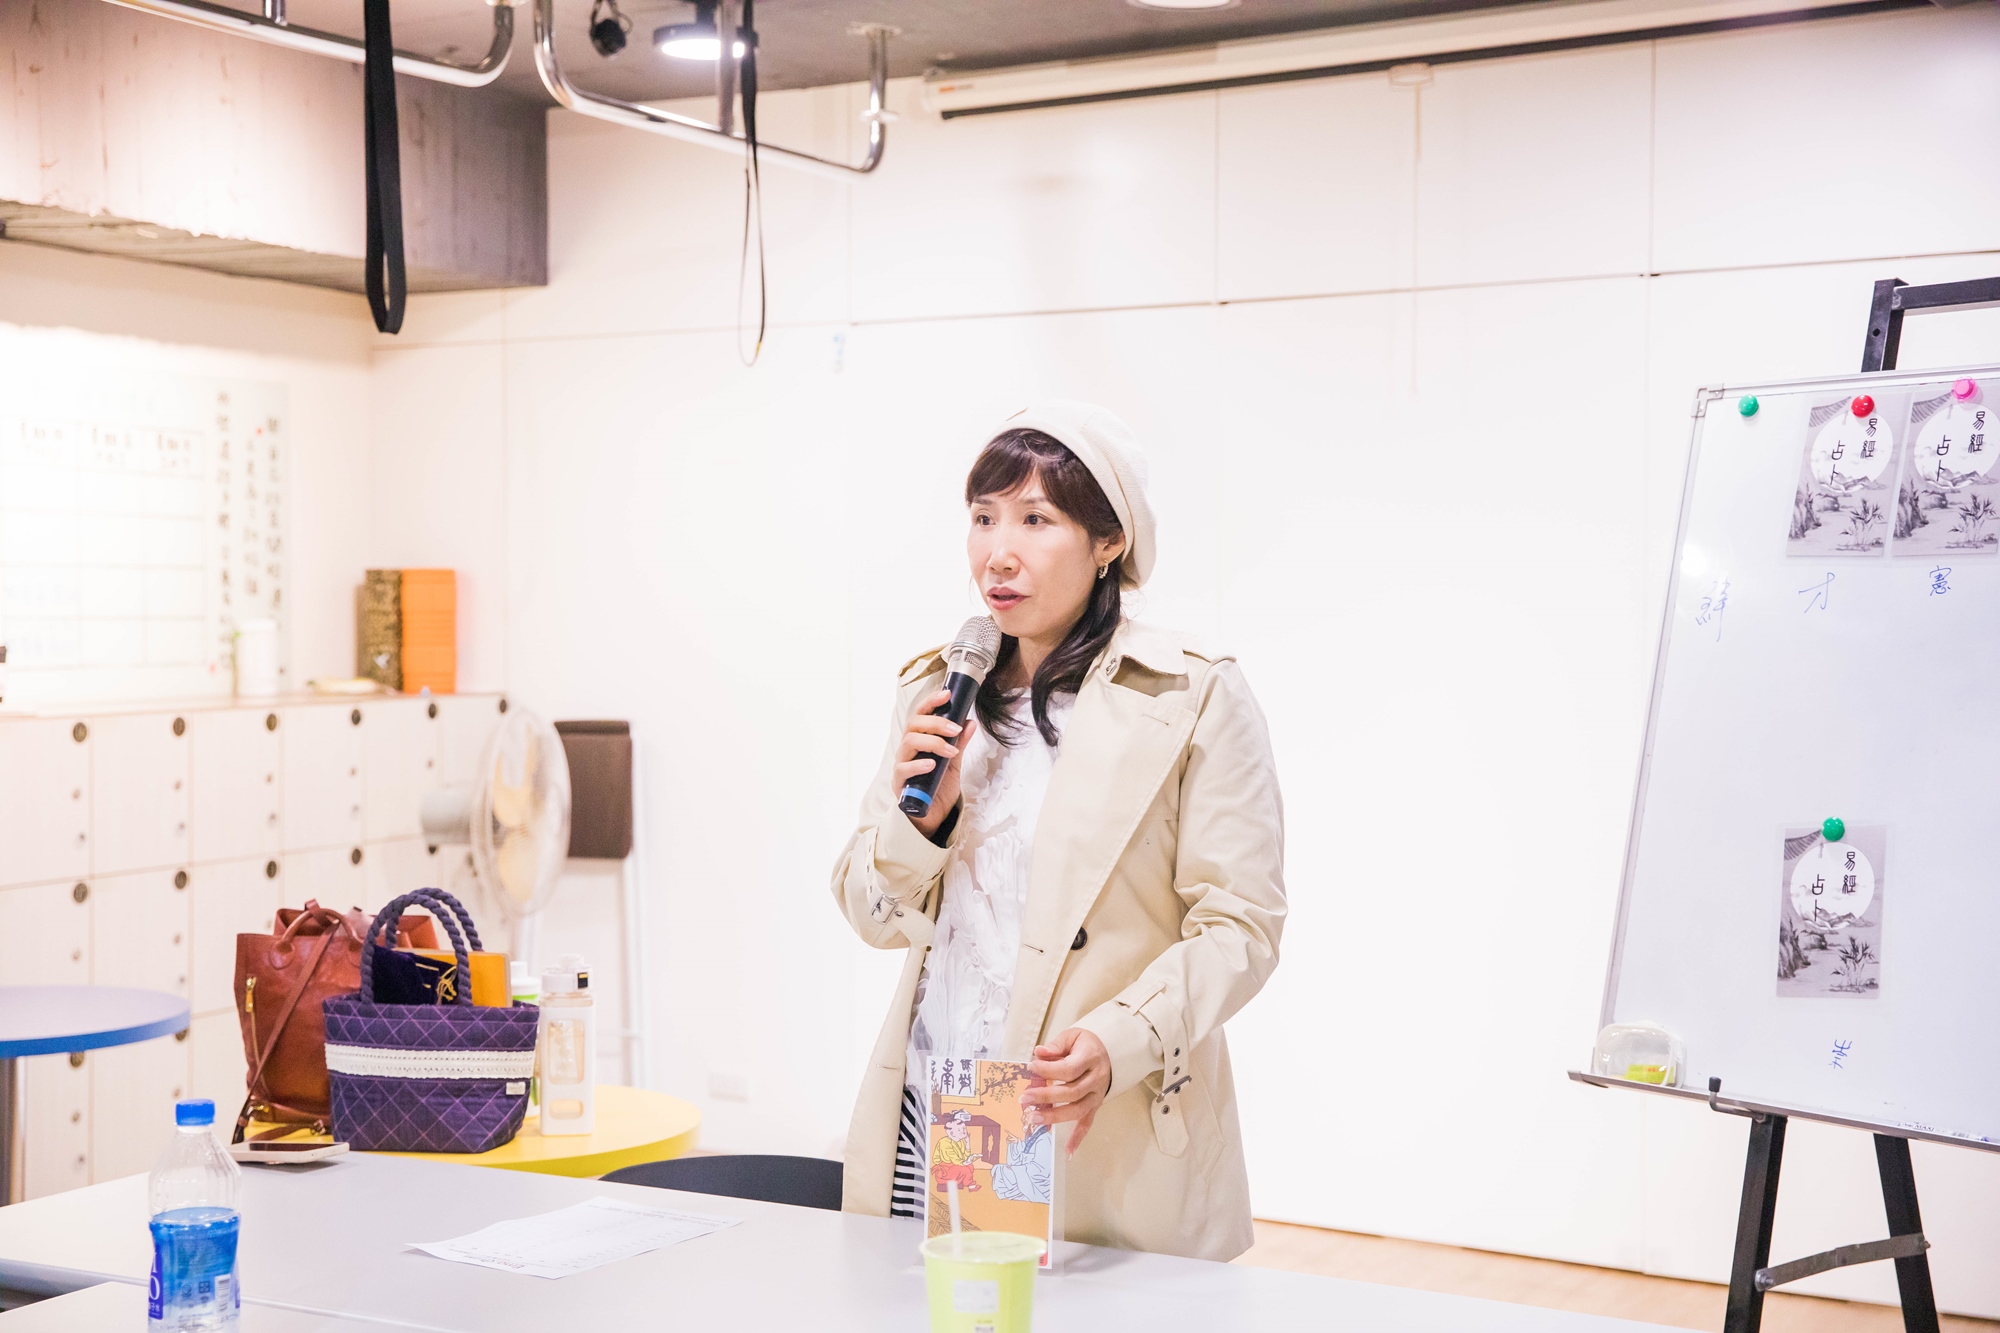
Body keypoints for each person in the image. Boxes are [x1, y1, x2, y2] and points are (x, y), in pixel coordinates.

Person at [830, 400, 1287, 1261]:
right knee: (955, 1311)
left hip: (1080, 1113)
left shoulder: (1191, 695)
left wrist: (1121, 1039)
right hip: (944, 1098)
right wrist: (920, 821)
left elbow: (1241, 926)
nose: (997, 552)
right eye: (983, 517)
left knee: (1061, 1310)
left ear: (1108, 540)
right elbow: (869, 914)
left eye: (1035, 520)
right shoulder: (939, 692)